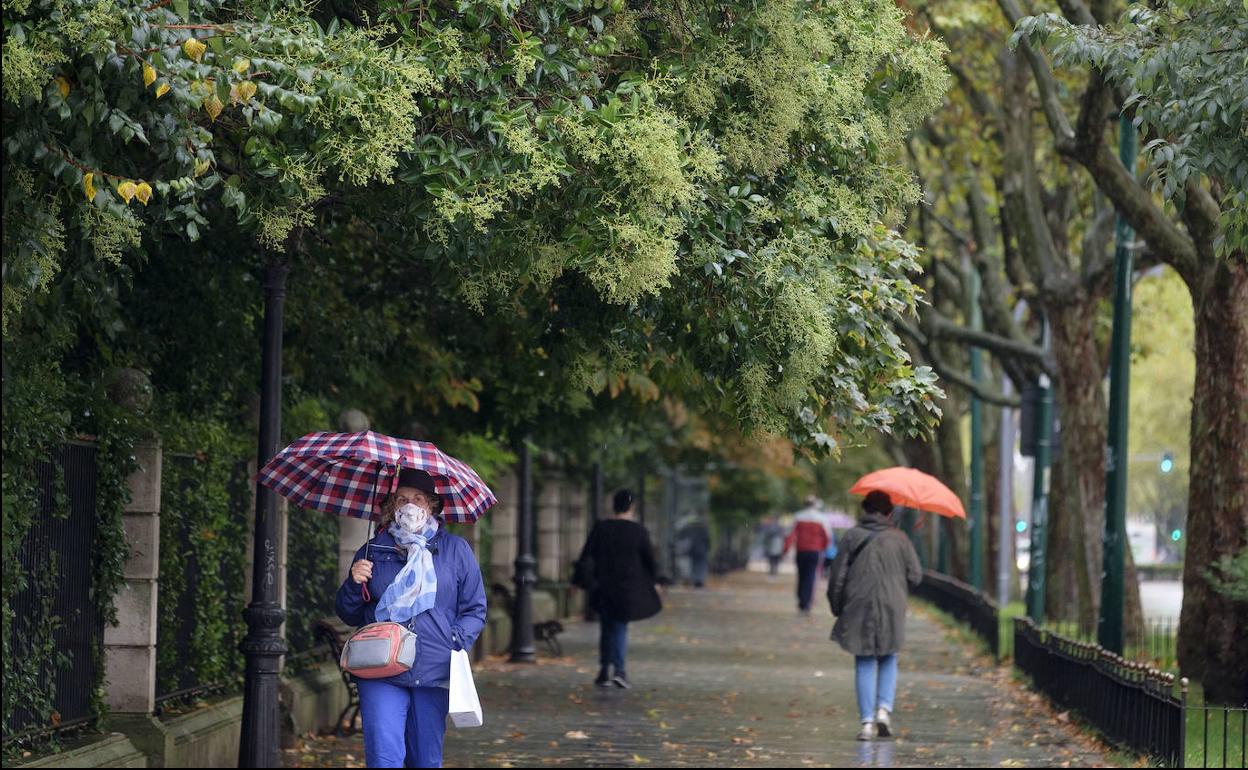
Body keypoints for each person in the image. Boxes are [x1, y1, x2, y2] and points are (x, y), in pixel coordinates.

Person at [336, 468, 488, 768]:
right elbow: (348, 613)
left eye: (417, 498)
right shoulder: (372, 549)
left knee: (425, 760)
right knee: (384, 759)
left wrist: (454, 640)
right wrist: (354, 583)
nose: (410, 504)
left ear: (431, 505)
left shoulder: (454, 549)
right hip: (380, 668)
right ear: (392, 505)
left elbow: (475, 608)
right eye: (402, 498)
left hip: (433, 669)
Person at [826, 490, 922, 742]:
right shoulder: (900, 539)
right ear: (890, 512)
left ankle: (867, 722)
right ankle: (884, 710)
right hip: (892, 604)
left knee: (865, 660)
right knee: (889, 656)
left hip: (859, 603)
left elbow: (837, 578)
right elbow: (916, 576)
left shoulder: (852, 537)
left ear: (865, 509)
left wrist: (837, 607)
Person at [576, 488, 662, 689]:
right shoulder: (638, 531)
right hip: (627, 588)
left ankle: (605, 669)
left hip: (604, 586)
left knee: (607, 627)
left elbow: (587, 555)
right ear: (632, 507)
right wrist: (655, 582)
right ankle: (620, 670)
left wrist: (579, 581)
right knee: (620, 627)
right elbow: (649, 561)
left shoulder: (602, 528)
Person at [782, 495, 830, 613]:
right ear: (815, 505)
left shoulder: (798, 516)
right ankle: (807, 602)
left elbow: (790, 535)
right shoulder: (821, 518)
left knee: (801, 575)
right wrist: (823, 548)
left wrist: (785, 550)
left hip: (801, 550)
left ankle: (801, 600)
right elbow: (827, 537)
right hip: (815, 551)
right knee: (810, 575)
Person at [677, 512, 711, 588]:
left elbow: (681, 537)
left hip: (691, 550)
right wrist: (708, 548)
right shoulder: (703, 527)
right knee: (700, 565)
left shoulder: (687, 528)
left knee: (693, 565)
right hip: (701, 550)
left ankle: (695, 579)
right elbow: (707, 539)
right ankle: (698, 580)